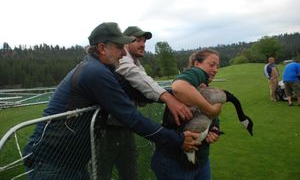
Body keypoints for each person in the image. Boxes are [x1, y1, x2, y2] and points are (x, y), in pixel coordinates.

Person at [22, 22, 199, 180]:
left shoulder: (104, 70)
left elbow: (136, 92)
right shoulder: (95, 73)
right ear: (101, 48)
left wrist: (179, 94)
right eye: (119, 47)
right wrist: (176, 139)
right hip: (52, 163)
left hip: (71, 162)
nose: (124, 52)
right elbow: (130, 117)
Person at [96, 26, 193, 180]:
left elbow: (142, 90)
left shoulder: (136, 63)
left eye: (144, 41)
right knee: (103, 171)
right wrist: (169, 97)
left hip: (124, 126)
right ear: (126, 43)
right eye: (137, 40)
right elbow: (139, 79)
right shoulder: (122, 60)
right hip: (106, 128)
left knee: (129, 168)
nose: (142, 44)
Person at [151, 49, 223, 180]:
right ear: (197, 64)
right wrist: (210, 110)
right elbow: (179, 86)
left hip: (201, 160)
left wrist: (214, 130)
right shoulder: (190, 79)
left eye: (217, 66)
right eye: (211, 64)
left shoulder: (205, 88)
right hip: (175, 163)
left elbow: (212, 119)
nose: (216, 69)